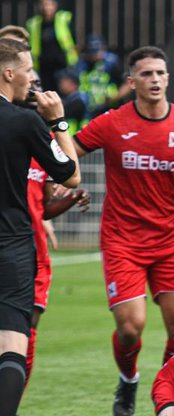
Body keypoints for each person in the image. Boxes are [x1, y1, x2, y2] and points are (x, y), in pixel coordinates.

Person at [73, 45, 174, 416]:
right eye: (146, 74)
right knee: (130, 327)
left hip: (169, 240)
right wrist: (61, 182)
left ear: (167, 78)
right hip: (122, 239)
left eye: (160, 73)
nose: (154, 80)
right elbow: (69, 151)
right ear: (131, 81)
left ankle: (168, 392)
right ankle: (129, 381)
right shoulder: (111, 123)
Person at [0, 37, 80, 416]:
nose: (34, 77)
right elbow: (72, 174)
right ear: (9, 72)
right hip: (12, 245)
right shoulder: (24, 121)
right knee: (12, 344)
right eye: (29, 69)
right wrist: (58, 120)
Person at [18, 67, 91, 387]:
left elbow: (45, 207)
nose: (36, 91)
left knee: (26, 333)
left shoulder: (42, 140)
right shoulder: (11, 131)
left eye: (39, 83)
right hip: (12, 247)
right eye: (31, 83)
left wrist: (71, 199)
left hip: (33, 253)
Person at [25, 0, 78, 92]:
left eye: (49, 3)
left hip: (63, 65)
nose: (46, 7)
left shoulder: (63, 18)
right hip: (43, 66)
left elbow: (73, 42)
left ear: (55, 4)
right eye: (43, 3)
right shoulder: (33, 23)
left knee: (63, 93)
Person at [75, 34, 127, 118]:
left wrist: (115, 97)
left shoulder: (112, 61)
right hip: (88, 107)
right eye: (92, 52)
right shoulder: (81, 63)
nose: (96, 55)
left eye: (98, 51)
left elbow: (127, 83)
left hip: (108, 107)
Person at [54, 68, 90, 133]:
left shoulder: (79, 101)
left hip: (79, 136)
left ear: (73, 83)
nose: (60, 83)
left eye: (63, 81)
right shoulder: (70, 98)